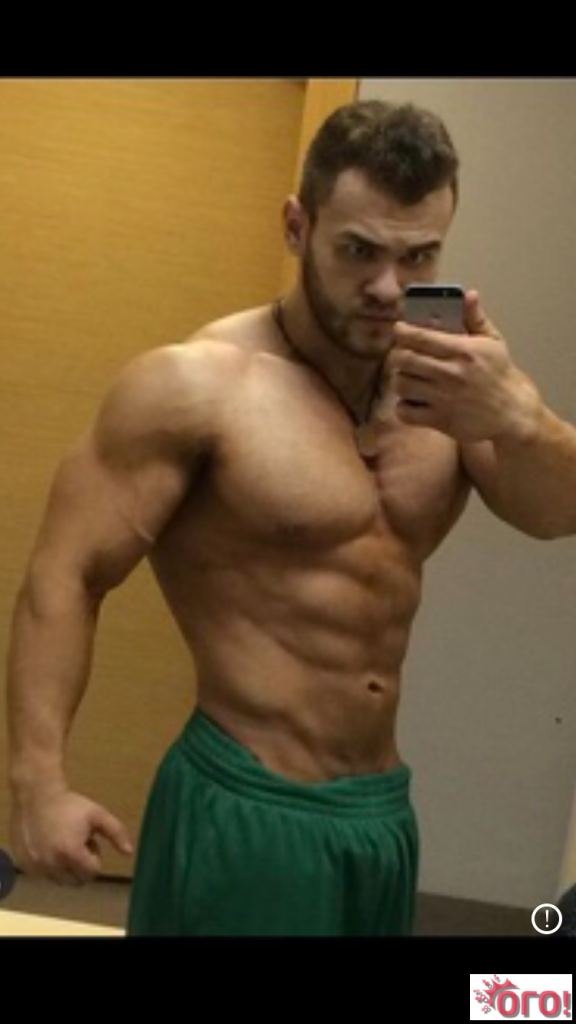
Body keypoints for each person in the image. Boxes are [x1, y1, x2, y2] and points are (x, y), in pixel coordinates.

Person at [6, 100, 576, 936]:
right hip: (245, 804)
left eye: (418, 256)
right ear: (297, 226)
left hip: (380, 812)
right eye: (359, 251)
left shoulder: (457, 389)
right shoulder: (197, 387)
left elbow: (555, 514)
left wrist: (521, 418)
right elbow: (66, 575)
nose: (389, 288)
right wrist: (37, 781)